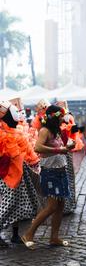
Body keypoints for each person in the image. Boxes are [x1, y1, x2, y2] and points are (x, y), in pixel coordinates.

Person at [21, 105, 75, 250]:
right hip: (50, 172)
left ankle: (54, 237)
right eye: (60, 117)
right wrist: (59, 150)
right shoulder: (44, 131)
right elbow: (37, 147)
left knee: (60, 205)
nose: (62, 120)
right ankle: (28, 234)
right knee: (51, 206)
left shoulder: (56, 131)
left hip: (60, 171)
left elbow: (60, 149)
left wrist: (68, 146)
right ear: (53, 117)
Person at [0, 100, 40, 248]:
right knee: (9, 204)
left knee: (18, 204)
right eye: (13, 113)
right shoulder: (2, 134)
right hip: (8, 176)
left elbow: (27, 152)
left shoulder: (17, 132)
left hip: (20, 174)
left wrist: (34, 162)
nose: (17, 115)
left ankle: (15, 235)